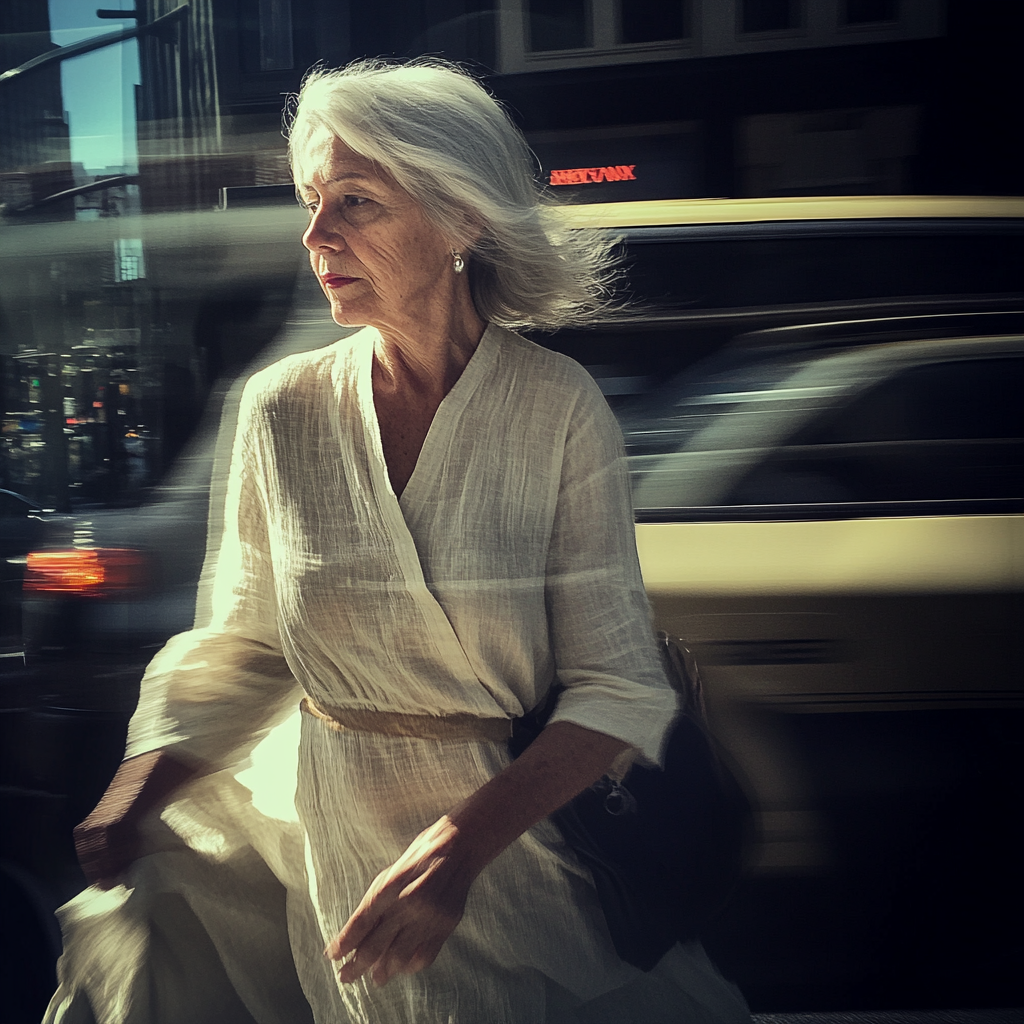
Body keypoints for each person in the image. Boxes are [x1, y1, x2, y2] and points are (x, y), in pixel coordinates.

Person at [53, 59, 750, 1024]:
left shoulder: (557, 412)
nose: (315, 236)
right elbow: (246, 646)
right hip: (341, 852)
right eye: (311, 201)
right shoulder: (279, 409)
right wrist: (137, 790)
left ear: (462, 219)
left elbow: (618, 685)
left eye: (356, 201)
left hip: (516, 852)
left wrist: (455, 852)